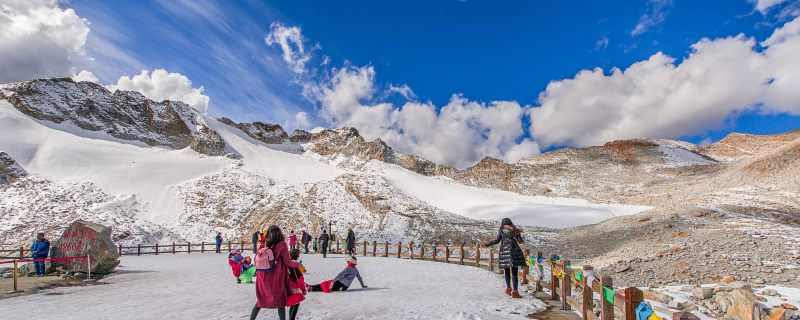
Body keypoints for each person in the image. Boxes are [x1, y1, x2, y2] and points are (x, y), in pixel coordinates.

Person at [251, 225, 298, 320]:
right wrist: (297, 264)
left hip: (263, 276)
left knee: (261, 300)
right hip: (276, 276)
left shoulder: (264, 243)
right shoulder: (282, 244)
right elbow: (287, 262)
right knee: (280, 301)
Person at [483, 218, 526, 298]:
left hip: (504, 252)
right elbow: (520, 241)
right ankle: (515, 292)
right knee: (514, 272)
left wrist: (486, 244)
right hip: (514, 252)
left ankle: (508, 288)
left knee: (506, 271)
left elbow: (496, 241)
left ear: (503, 224)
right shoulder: (515, 230)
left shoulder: (502, 230)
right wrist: (518, 233)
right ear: (510, 223)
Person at [286, 249, 306, 320]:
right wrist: (303, 289)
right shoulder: (296, 265)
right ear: (297, 256)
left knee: (292, 302)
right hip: (294, 287)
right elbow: (299, 279)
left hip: (288, 286)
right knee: (296, 303)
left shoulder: (287, 264)